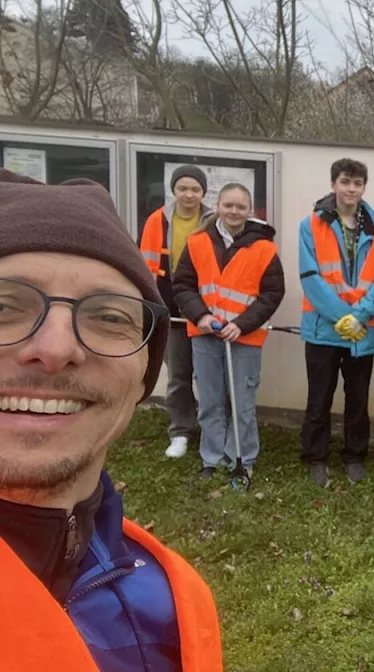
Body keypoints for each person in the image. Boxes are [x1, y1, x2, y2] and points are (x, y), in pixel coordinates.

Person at [0, 169, 222, 669]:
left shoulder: (177, 598)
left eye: (108, 316)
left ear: (143, 371)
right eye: (4, 305)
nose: (56, 349)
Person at [172, 183, 284, 480]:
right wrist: (201, 316)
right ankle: (212, 456)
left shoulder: (264, 248)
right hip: (205, 334)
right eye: (228, 205)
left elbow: (272, 293)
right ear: (217, 206)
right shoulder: (197, 242)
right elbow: (182, 285)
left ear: (250, 211)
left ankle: (242, 458)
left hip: (244, 338)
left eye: (241, 207)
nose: (234, 212)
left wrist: (242, 324)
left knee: (242, 404)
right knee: (210, 400)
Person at [298, 158, 374, 488]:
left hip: (362, 333)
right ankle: (315, 457)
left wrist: (360, 316)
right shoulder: (310, 225)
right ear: (333, 184)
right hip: (324, 331)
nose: (351, 189)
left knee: (358, 399)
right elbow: (310, 277)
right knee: (319, 399)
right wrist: (342, 317)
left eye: (357, 183)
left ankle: (354, 456)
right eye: (345, 182)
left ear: (364, 187)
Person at [138, 165, 213, 459]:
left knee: (209, 378)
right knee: (179, 376)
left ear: (203, 192)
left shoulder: (212, 219)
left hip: (207, 308)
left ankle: (213, 429)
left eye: (195, 189)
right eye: (183, 188)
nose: (189, 194)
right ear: (173, 190)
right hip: (172, 310)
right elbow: (146, 267)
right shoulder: (157, 220)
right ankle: (180, 431)